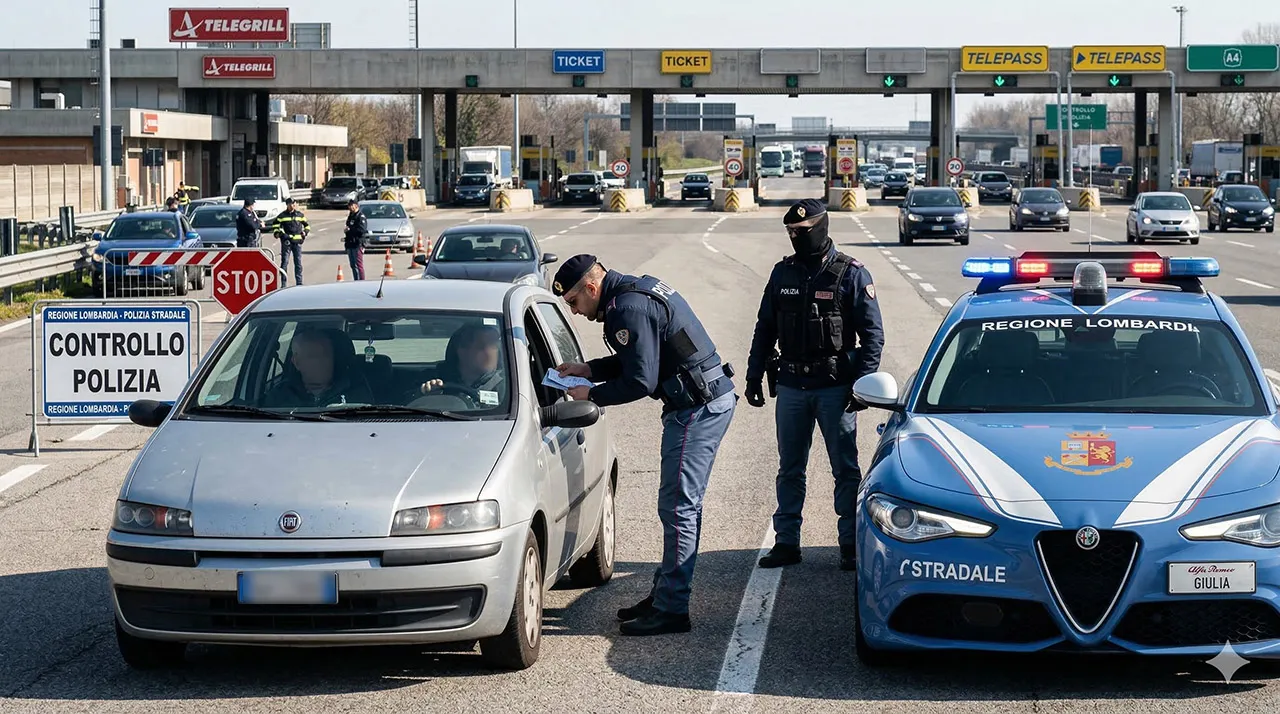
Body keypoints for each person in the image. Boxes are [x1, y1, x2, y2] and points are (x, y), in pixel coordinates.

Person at [552, 254, 737, 636]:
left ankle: (672, 608)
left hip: (695, 409)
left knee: (677, 508)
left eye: (573, 302)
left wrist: (592, 394)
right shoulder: (635, 290)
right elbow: (642, 355)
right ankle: (666, 592)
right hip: (703, 400)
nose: (574, 312)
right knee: (679, 507)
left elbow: (641, 380)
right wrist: (590, 369)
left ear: (591, 288)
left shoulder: (626, 309)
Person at [745, 198, 884, 572]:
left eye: (803, 232)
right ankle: (786, 542)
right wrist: (753, 374)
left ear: (822, 227)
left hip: (835, 388)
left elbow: (873, 337)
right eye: (791, 232)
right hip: (790, 385)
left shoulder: (850, 274)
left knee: (845, 470)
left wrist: (862, 386)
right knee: (790, 468)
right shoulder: (782, 273)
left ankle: (850, 545)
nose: (796, 238)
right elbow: (765, 328)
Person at [260, 328, 375, 408]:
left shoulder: (354, 390)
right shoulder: (279, 397)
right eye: (314, 356)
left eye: (327, 355)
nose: (322, 362)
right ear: (297, 362)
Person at [420, 323, 505, 398]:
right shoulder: (434, 377)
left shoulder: (507, 387)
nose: (489, 353)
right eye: (481, 347)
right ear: (462, 350)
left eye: (494, 347)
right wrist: (426, 395)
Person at [273, 197, 310, 286]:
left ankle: (299, 283)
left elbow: (307, 226)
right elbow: (275, 226)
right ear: (287, 205)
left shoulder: (300, 215)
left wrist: (305, 233)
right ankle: (283, 284)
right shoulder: (282, 216)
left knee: (298, 263)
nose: (293, 205)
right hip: (287, 243)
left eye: (294, 204)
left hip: (297, 243)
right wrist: (279, 234)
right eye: (290, 204)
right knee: (284, 263)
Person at [343, 199, 367, 280]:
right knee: (353, 265)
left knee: (359, 264)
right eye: (349, 206)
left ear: (356, 205)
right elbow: (348, 226)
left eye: (351, 205)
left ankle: (362, 281)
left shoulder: (360, 216)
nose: (349, 207)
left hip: (358, 243)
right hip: (350, 243)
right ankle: (356, 280)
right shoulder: (351, 216)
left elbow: (362, 230)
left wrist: (350, 229)